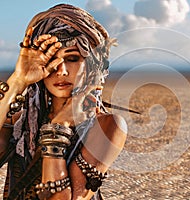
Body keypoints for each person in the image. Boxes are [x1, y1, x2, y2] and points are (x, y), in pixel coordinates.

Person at [0, 4, 127, 200]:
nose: (62, 71)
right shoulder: (20, 118)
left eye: (73, 58)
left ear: (93, 63)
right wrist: (17, 81)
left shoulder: (107, 125)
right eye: (51, 59)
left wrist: (59, 126)